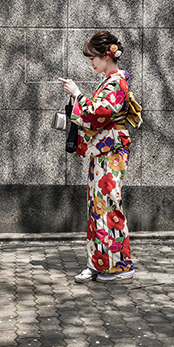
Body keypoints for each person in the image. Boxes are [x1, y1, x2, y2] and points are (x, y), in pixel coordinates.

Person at [59, 30, 142, 284]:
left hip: (111, 150)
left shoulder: (116, 81)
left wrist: (77, 95)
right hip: (102, 150)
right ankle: (98, 262)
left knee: (109, 204)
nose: (91, 63)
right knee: (97, 207)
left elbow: (98, 113)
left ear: (107, 55)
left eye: (93, 57)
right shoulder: (108, 80)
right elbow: (94, 115)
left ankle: (120, 265)